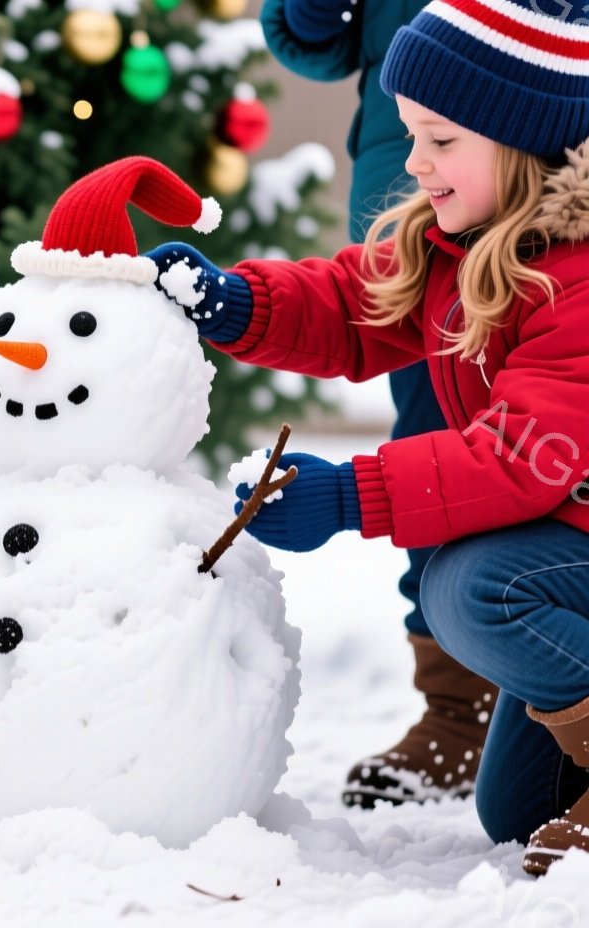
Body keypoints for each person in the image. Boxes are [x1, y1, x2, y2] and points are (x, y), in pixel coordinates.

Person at [147, 0, 589, 876]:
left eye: (440, 139)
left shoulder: (576, 279)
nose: (415, 161)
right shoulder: (460, 243)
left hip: (561, 542)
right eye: (411, 135)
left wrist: (349, 496)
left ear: (522, 140)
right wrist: (233, 303)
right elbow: (354, 304)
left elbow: (520, 458)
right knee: (518, 810)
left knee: (474, 587)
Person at [259, 0, 493, 810]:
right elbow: (312, 41)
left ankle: (556, 698)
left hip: (552, 165)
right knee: (433, 425)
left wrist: (346, 497)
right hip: (413, 187)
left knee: (551, 436)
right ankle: (462, 710)